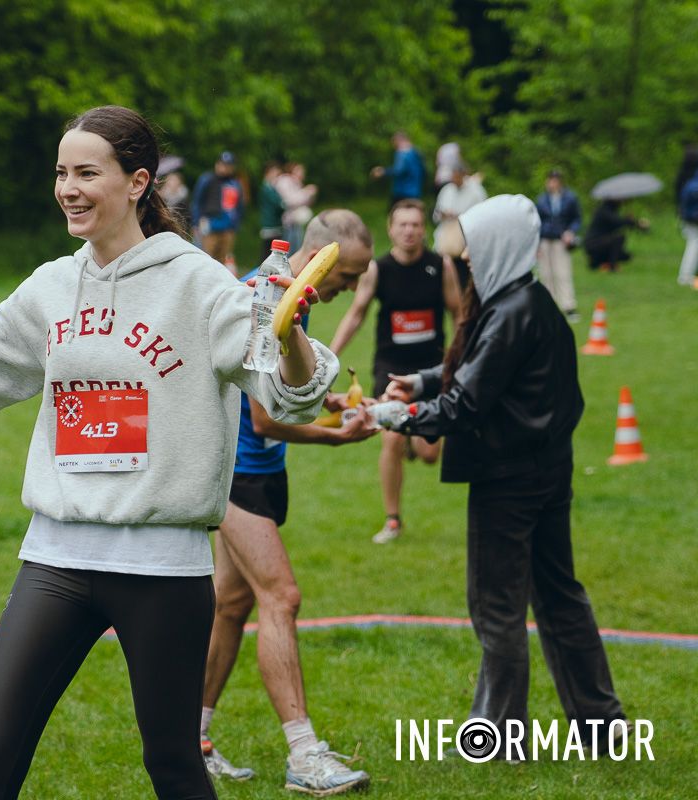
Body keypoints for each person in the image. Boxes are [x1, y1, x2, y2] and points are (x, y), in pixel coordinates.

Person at [0, 105, 338, 799]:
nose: (68, 187)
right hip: (55, 560)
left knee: (174, 765)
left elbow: (293, 393)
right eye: (61, 173)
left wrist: (290, 328)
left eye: (87, 172)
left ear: (137, 182)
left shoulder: (198, 284)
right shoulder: (52, 288)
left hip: (161, 566)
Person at [372, 194, 625, 754]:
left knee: (498, 607)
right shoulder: (529, 300)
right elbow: (478, 369)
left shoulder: (510, 312)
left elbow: (466, 405)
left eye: (471, 248)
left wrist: (392, 415)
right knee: (560, 597)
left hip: (509, 480)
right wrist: (419, 382)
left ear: (497, 249)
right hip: (546, 471)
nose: (462, 257)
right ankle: (602, 725)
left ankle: (503, 735)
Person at [200, 209, 375, 794]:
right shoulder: (265, 299)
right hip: (237, 477)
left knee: (232, 604)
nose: (349, 289)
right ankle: (305, 755)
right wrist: (336, 435)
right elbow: (264, 416)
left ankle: (190, 740)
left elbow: (288, 391)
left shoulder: (295, 301)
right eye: (346, 276)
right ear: (320, 256)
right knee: (282, 596)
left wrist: (337, 408)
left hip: (263, 476)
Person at [329, 199, 461, 544]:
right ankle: (392, 520)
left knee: (431, 454)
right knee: (390, 437)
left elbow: (459, 314)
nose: (409, 231)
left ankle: (413, 440)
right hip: (391, 367)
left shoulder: (440, 265)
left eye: (416, 225)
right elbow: (356, 313)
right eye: (402, 224)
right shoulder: (378, 269)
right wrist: (331, 355)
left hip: (431, 368)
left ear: (424, 230)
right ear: (390, 229)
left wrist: (461, 357)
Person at [534, 169, 584, 321]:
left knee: (562, 273)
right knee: (546, 274)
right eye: (550, 180)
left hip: (561, 240)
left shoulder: (570, 198)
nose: (552, 183)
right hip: (545, 239)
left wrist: (571, 231)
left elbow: (576, 218)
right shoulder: (542, 200)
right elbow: (536, 221)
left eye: (555, 180)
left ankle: (568, 305)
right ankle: (548, 305)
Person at [433, 165, 487, 289]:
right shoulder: (447, 190)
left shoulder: (476, 191)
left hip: (466, 240)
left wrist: (459, 215)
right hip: (446, 238)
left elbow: (482, 215)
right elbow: (436, 214)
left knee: (463, 276)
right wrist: (443, 214)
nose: (454, 180)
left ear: (464, 175)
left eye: (457, 177)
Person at [192, 151, 245, 269]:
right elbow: (197, 202)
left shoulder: (235, 184)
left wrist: (235, 226)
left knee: (222, 261)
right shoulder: (206, 179)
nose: (224, 168)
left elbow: (239, 206)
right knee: (205, 259)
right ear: (217, 164)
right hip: (209, 225)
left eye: (228, 165)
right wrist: (196, 223)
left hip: (227, 228)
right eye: (222, 164)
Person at [583, 199, 648, 272]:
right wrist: (634, 222)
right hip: (593, 244)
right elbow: (617, 222)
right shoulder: (604, 210)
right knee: (619, 238)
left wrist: (632, 222)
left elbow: (616, 224)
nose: (621, 201)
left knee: (626, 256)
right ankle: (612, 266)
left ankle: (596, 263)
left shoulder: (608, 210)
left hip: (598, 243)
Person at [370, 132, 425, 205]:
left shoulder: (402, 152)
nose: (394, 147)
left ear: (398, 141)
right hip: (415, 191)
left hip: (402, 191)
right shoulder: (417, 152)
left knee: (395, 213)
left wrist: (383, 171)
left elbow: (399, 170)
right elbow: (424, 171)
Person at [275, 163, 317, 249]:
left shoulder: (296, 183)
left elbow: (306, 203)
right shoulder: (285, 181)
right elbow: (289, 201)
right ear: (292, 170)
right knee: (289, 249)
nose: (301, 174)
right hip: (288, 222)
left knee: (296, 247)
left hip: (295, 221)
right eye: (299, 171)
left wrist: (311, 195)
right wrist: (306, 192)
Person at [674, 144, 698, 288]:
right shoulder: (693, 182)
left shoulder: (685, 176)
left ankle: (687, 275)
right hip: (693, 218)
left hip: (687, 216)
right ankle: (685, 276)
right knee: (694, 244)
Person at [257, 161, 285, 262]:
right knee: (267, 253)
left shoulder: (271, 187)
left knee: (271, 254)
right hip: (270, 225)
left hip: (274, 225)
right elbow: (278, 204)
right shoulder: (267, 188)